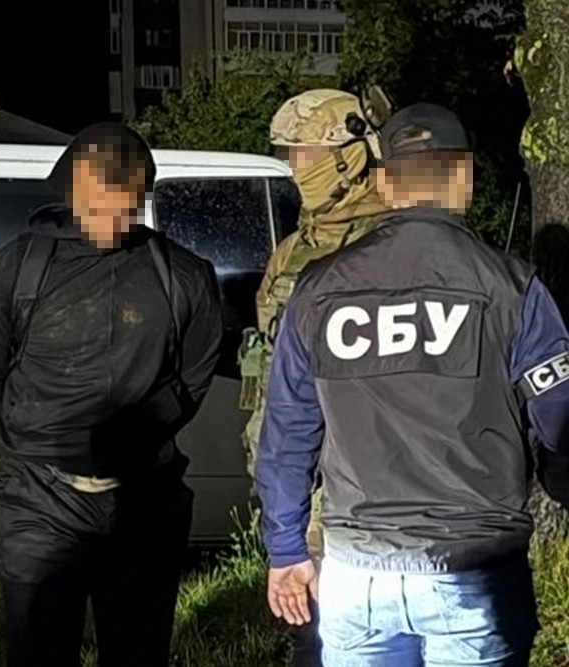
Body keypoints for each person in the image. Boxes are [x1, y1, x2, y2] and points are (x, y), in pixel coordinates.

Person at [256, 102, 569, 666]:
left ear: (384, 183)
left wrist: (286, 549)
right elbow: (560, 421)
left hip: (356, 573)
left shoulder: (318, 288)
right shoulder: (511, 287)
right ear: (464, 176)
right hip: (473, 567)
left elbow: (286, 434)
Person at [0, 123, 223, 667]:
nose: (116, 224)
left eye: (129, 211)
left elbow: (194, 375)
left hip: (145, 503)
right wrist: (25, 462)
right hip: (40, 504)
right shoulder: (14, 270)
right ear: (73, 192)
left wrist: (142, 436)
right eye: (103, 209)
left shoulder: (184, 275)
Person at [238, 87, 392, 665]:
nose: (294, 168)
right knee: (311, 641)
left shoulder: (391, 243)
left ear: (348, 157)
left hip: (367, 505)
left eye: (304, 154)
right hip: (297, 496)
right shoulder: (291, 253)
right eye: (290, 155)